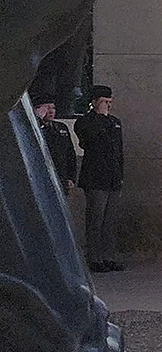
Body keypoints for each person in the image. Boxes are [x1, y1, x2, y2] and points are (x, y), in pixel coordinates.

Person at [75, 84, 126, 272]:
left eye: (110, 102)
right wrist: (100, 117)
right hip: (96, 178)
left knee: (109, 221)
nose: (108, 106)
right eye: (104, 102)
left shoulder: (115, 122)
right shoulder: (86, 122)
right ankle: (94, 258)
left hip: (112, 178)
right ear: (95, 102)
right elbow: (88, 139)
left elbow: (118, 151)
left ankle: (108, 256)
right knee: (95, 219)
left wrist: (120, 176)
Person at [32, 93, 78, 197]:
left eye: (53, 108)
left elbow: (70, 154)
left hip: (60, 176)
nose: (51, 111)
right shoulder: (34, 127)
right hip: (42, 179)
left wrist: (71, 177)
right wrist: (38, 119)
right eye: (47, 108)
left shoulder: (61, 127)